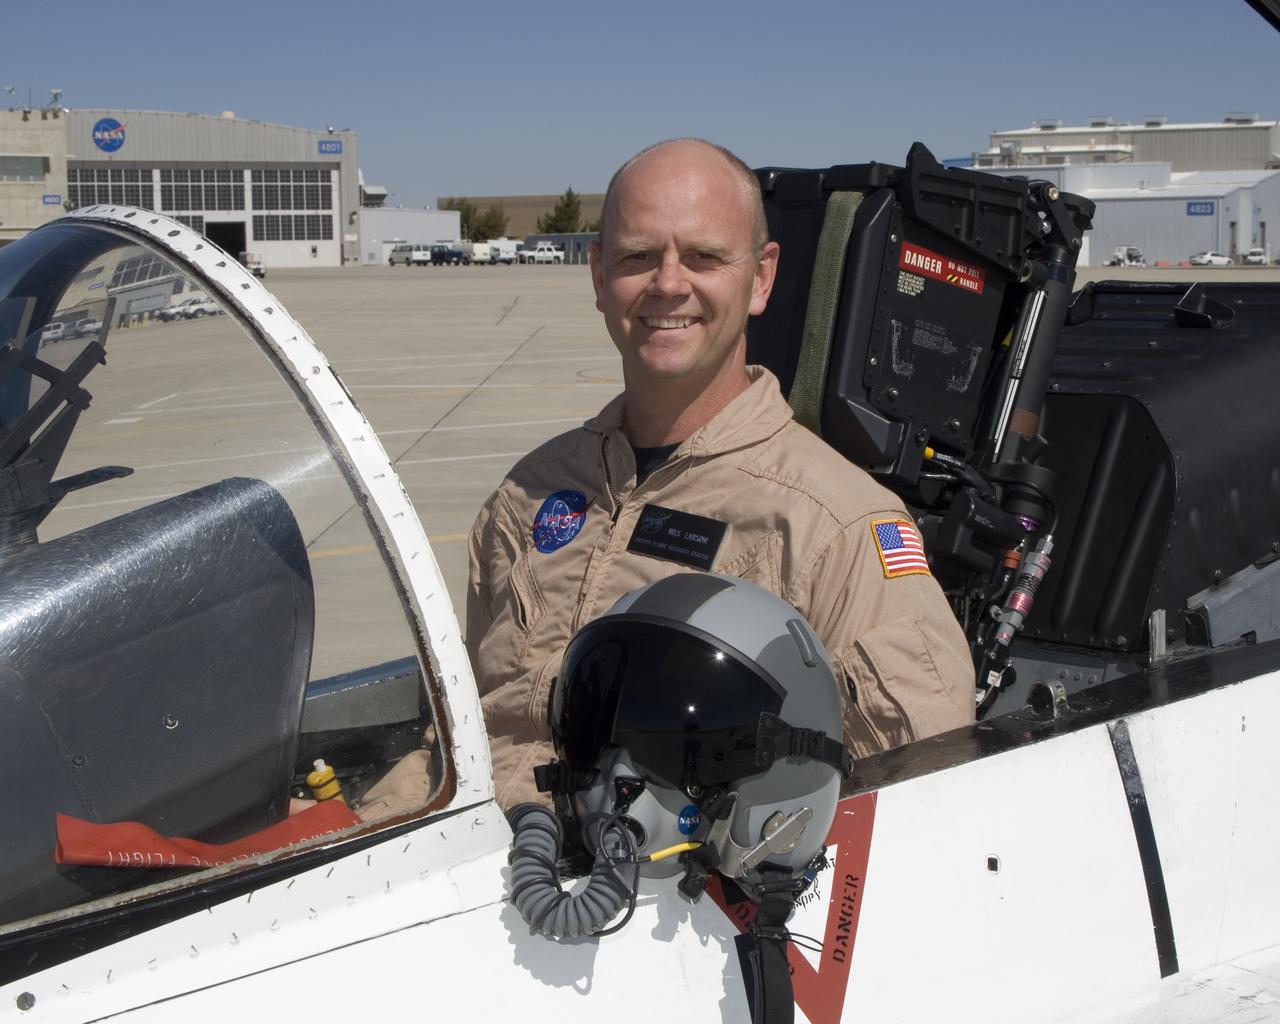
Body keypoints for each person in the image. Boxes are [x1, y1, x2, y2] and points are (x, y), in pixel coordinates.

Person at [466, 138, 975, 812]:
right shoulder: (528, 497)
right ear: (597, 275)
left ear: (761, 278)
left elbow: (924, 801)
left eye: (704, 257)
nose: (668, 284)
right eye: (638, 256)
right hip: (473, 872)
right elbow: (469, 728)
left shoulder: (837, 527)